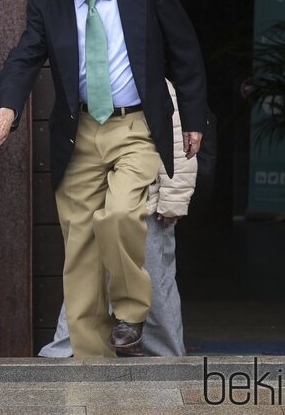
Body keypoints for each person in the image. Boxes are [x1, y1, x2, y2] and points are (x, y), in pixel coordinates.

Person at [0, 0, 207, 358]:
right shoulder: (47, 4)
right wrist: (6, 113)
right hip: (78, 131)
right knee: (79, 246)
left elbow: (185, 50)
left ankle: (132, 309)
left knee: (120, 215)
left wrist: (194, 118)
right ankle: (90, 372)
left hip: (137, 124)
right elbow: (22, 60)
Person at [40, 80, 197, 358]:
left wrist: (174, 201)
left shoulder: (159, 86)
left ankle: (167, 354)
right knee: (86, 277)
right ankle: (66, 349)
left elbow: (180, 143)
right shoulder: (86, 85)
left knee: (156, 283)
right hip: (99, 203)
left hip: (149, 205)